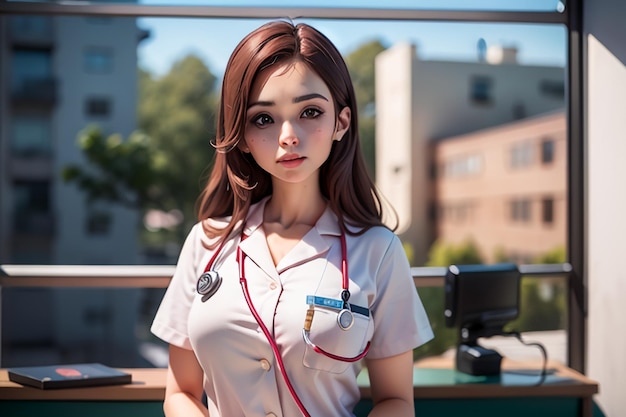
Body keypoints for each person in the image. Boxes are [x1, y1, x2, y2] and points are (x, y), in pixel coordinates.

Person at [150, 19, 434, 417]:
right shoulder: (206, 242)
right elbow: (180, 393)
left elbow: (396, 401)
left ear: (342, 122)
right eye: (263, 119)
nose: (288, 135)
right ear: (243, 136)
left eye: (310, 112)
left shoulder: (378, 251)